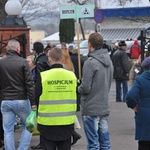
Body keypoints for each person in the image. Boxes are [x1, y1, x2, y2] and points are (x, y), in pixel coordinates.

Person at [36, 47, 77, 150]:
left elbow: (36, 96)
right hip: (66, 122)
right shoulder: (71, 76)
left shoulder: (43, 76)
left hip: (47, 123)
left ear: (49, 59)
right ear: (63, 58)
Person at [78, 33, 113, 150]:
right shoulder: (109, 61)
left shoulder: (90, 62)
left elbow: (86, 87)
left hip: (91, 107)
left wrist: (78, 88)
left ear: (89, 44)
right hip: (103, 105)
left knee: (93, 143)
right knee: (105, 143)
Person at [0, 39, 36, 150]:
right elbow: (29, 84)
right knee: (28, 126)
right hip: (21, 99)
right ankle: (22, 148)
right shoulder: (23, 62)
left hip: (5, 100)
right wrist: (33, 102)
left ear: (6, 49)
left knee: (8, 130)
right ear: (18, 49)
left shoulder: (1, 62)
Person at [126, 56, 150, 150]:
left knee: (144, 143)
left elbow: (130, 96)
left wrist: (133, 106)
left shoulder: (140, 80)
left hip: (144, 114)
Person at [31, 42, 51, 150]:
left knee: (42, 120)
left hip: (42, 93)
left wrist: (36, 96)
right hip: (49, 91)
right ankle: (73, 134)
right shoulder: (46, 59)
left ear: (34, 50)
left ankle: (42, 143)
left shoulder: (39, 61)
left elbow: (39, 80)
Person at [61, 49, 82, 145]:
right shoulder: (71, 66)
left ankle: (73, 134)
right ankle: (73, 134)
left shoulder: (63, 67)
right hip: (70, 93)